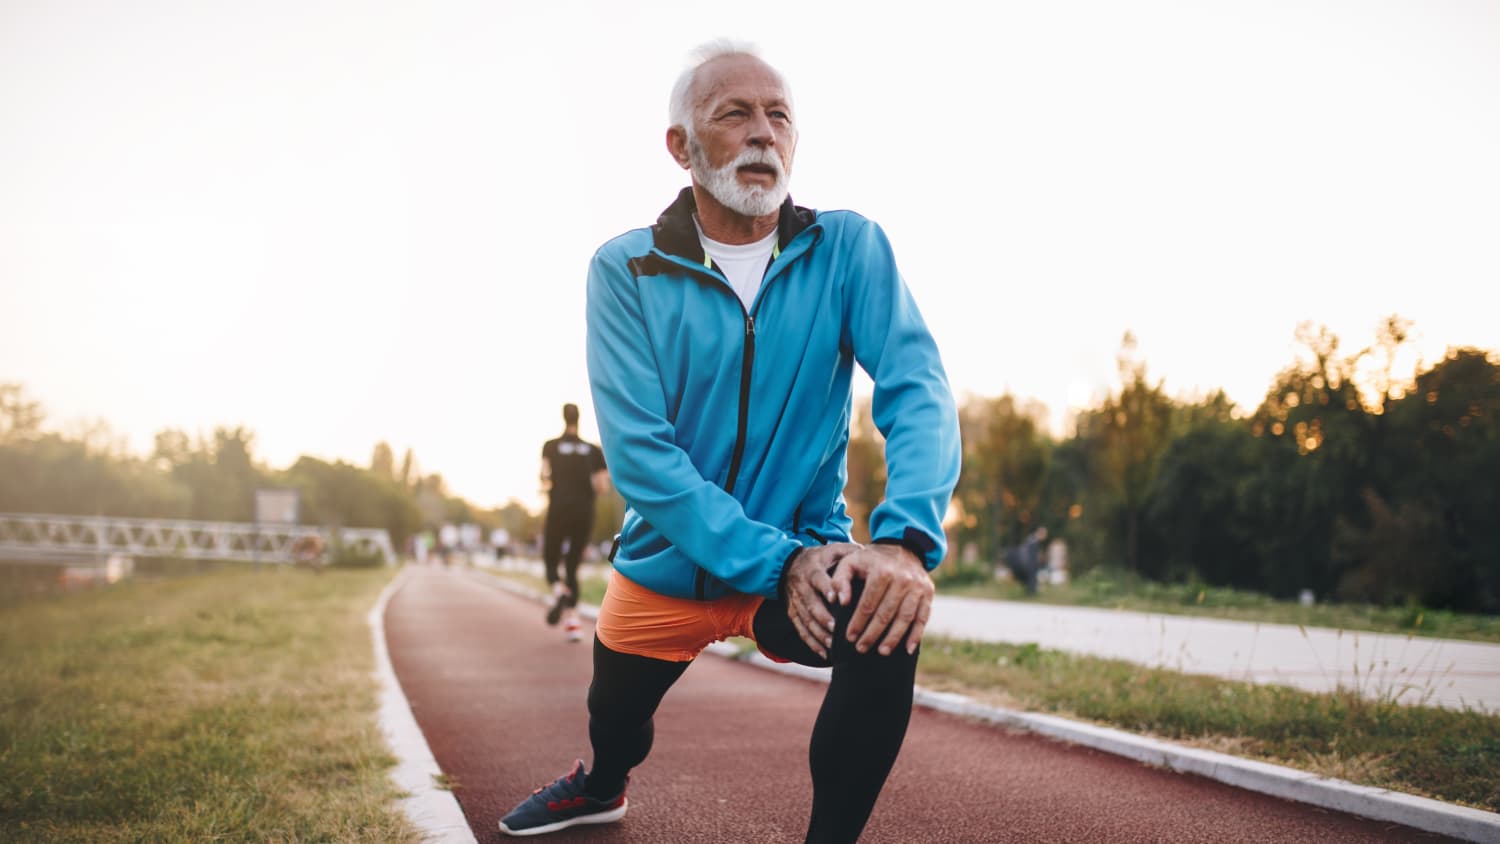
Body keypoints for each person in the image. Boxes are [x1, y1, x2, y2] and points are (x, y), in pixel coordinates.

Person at [499, 42, 960, 842]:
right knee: (615, 721)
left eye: (778, 115)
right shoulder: (626, 270)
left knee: (882, 614)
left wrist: (905, 540)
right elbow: (643, 459)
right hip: (671, 563)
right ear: (681, 147)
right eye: (734, 114)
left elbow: (917, 387)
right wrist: (775, 560)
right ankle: (602, 784)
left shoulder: (848, 249)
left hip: (802, 556)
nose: (763, 134)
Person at [540, 402, 610, 643]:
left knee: (551, 560)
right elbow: (602, 486)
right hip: (584, 512)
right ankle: (573, 623)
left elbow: (544, 476)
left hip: (559, 508)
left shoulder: (550, 446)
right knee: (572, 566)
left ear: (563, 418)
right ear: (579, 419)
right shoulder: (593, 451)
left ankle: (559, 591)